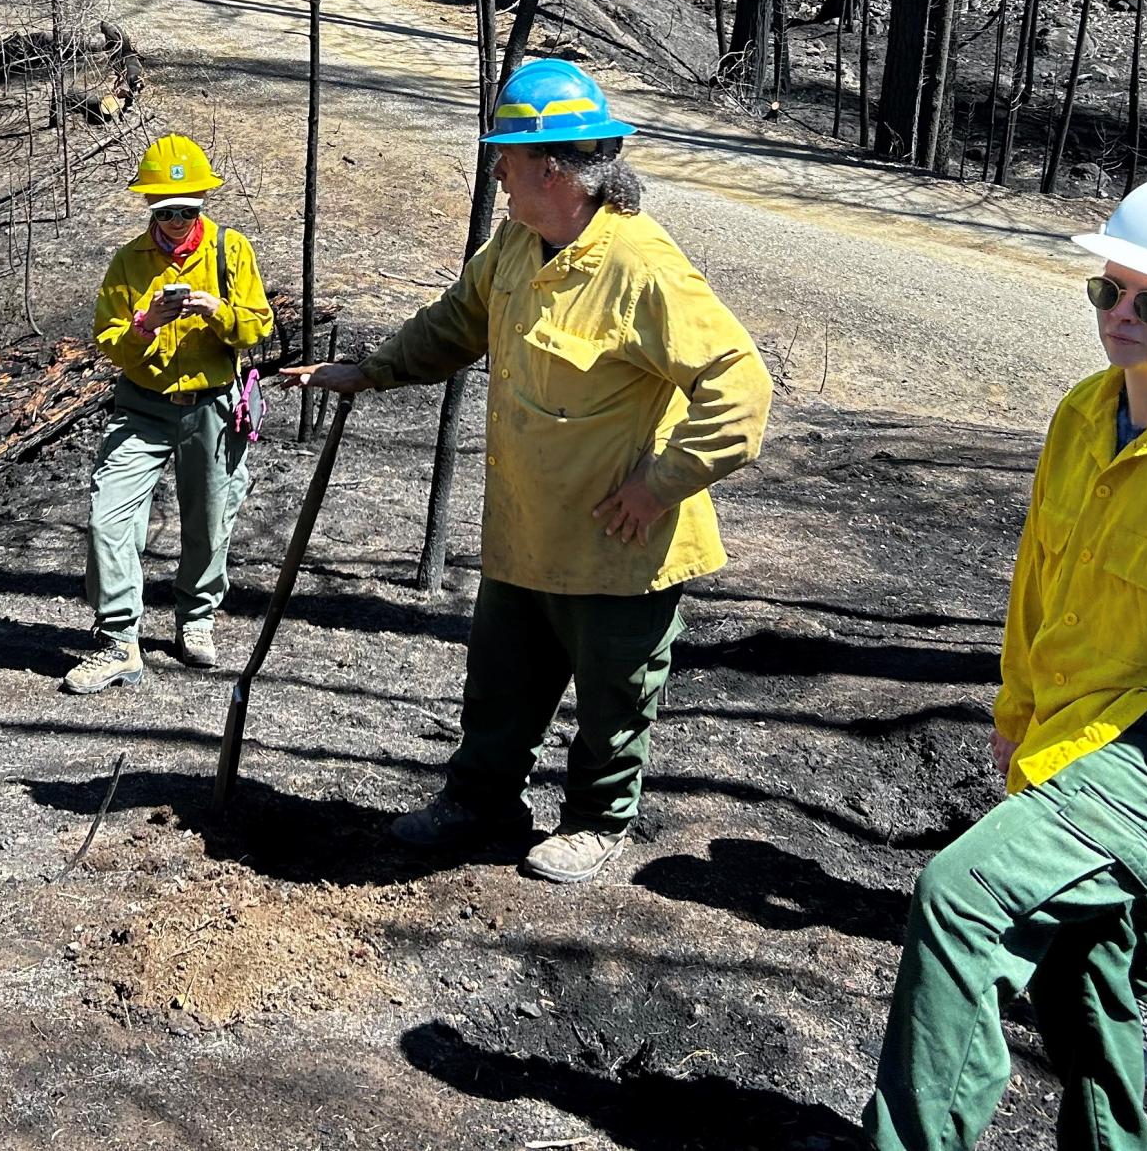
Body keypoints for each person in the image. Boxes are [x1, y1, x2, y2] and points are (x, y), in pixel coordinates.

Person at [860, 170, 1147, 1151]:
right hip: (1067, 735)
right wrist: (1016, 716)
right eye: (1107, 291)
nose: (1121, 316)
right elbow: (1037, 589)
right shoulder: (1078, 414)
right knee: (1084, 982)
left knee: (959, 897)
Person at [288, 60, 772, 884]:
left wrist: (659, 486)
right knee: (501, 689)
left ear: (551, 168)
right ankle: (481, 801)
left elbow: (741, 388)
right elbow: (455, 323)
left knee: (614, 701)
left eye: (505, 159)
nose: (497, 174)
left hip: (622, 547)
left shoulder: (643, 268)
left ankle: (595, 821)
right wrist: (370, 370)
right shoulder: (516, 246)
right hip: (525, 531)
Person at [61, 134, 275, 695]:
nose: (177, 220)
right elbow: (108, 341)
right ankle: (117, 642)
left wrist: (220, 312)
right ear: (150, 208)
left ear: (202, 204)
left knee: (209, 520)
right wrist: (146, 324)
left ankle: (196, 620)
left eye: (187, 209)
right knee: (109, 516)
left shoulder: (232, 251)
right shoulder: (127, 261)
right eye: (165, 210)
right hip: (141, 408)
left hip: (212, 406)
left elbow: (259, 326)